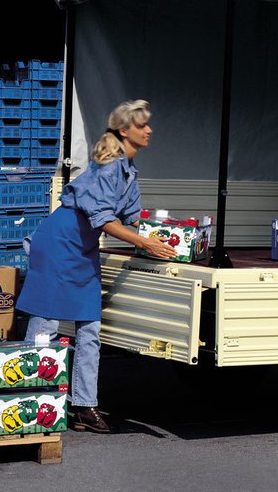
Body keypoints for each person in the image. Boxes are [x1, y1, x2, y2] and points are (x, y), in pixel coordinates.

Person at [16, 99, 176, 433]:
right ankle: (29, 396)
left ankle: (84, 406)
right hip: (61, 242)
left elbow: (132, 217)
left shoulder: (128, 170)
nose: (149, 130)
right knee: (46, 322)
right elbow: (103, 219)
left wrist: (176, 233)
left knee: (89, 329)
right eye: (142, 125)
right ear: (123, 130)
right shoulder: (110, 166)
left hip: (82, 247)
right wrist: (144, 243)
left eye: (148, 124)